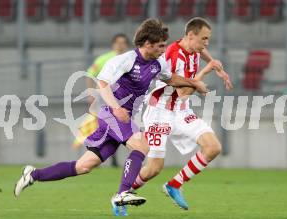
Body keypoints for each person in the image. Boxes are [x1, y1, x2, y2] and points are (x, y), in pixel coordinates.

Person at [13, 18, 208, 216]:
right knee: (142, 145)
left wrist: (194, 83)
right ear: (148, 44)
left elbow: (172, 78)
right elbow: (102, 83)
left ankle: (33, 174)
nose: (164, 49)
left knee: (84, 166)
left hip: (122, 118)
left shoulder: (158, 63)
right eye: (160, 45)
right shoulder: (126, 60)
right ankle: (122, 194)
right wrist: (116, 108)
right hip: (111, 114)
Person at [130, 17, 232, 210]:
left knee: (212, 147)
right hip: (159, 110)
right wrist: (206, 71)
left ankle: (174, 185)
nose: (206, 43)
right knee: (154, 168)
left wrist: (215, 63)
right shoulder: (174, 56)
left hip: (180, 109)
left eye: (208, 39)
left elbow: (201, 50)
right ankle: (124, 193)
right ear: (191, 35)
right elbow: (184, 92)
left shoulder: (191, 46)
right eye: (204, 38)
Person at [72, 33, 130, 168]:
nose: (120, 45)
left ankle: (105, 157)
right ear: (113, 44)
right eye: (118, 42)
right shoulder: (104, 59)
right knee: (102, 126)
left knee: (117, 127)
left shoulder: (130, 59)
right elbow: (90, 74)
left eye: (123, 42)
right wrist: (91, 94)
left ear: (126, 45)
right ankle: (95, 155)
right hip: (105, 97)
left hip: (123, 100)